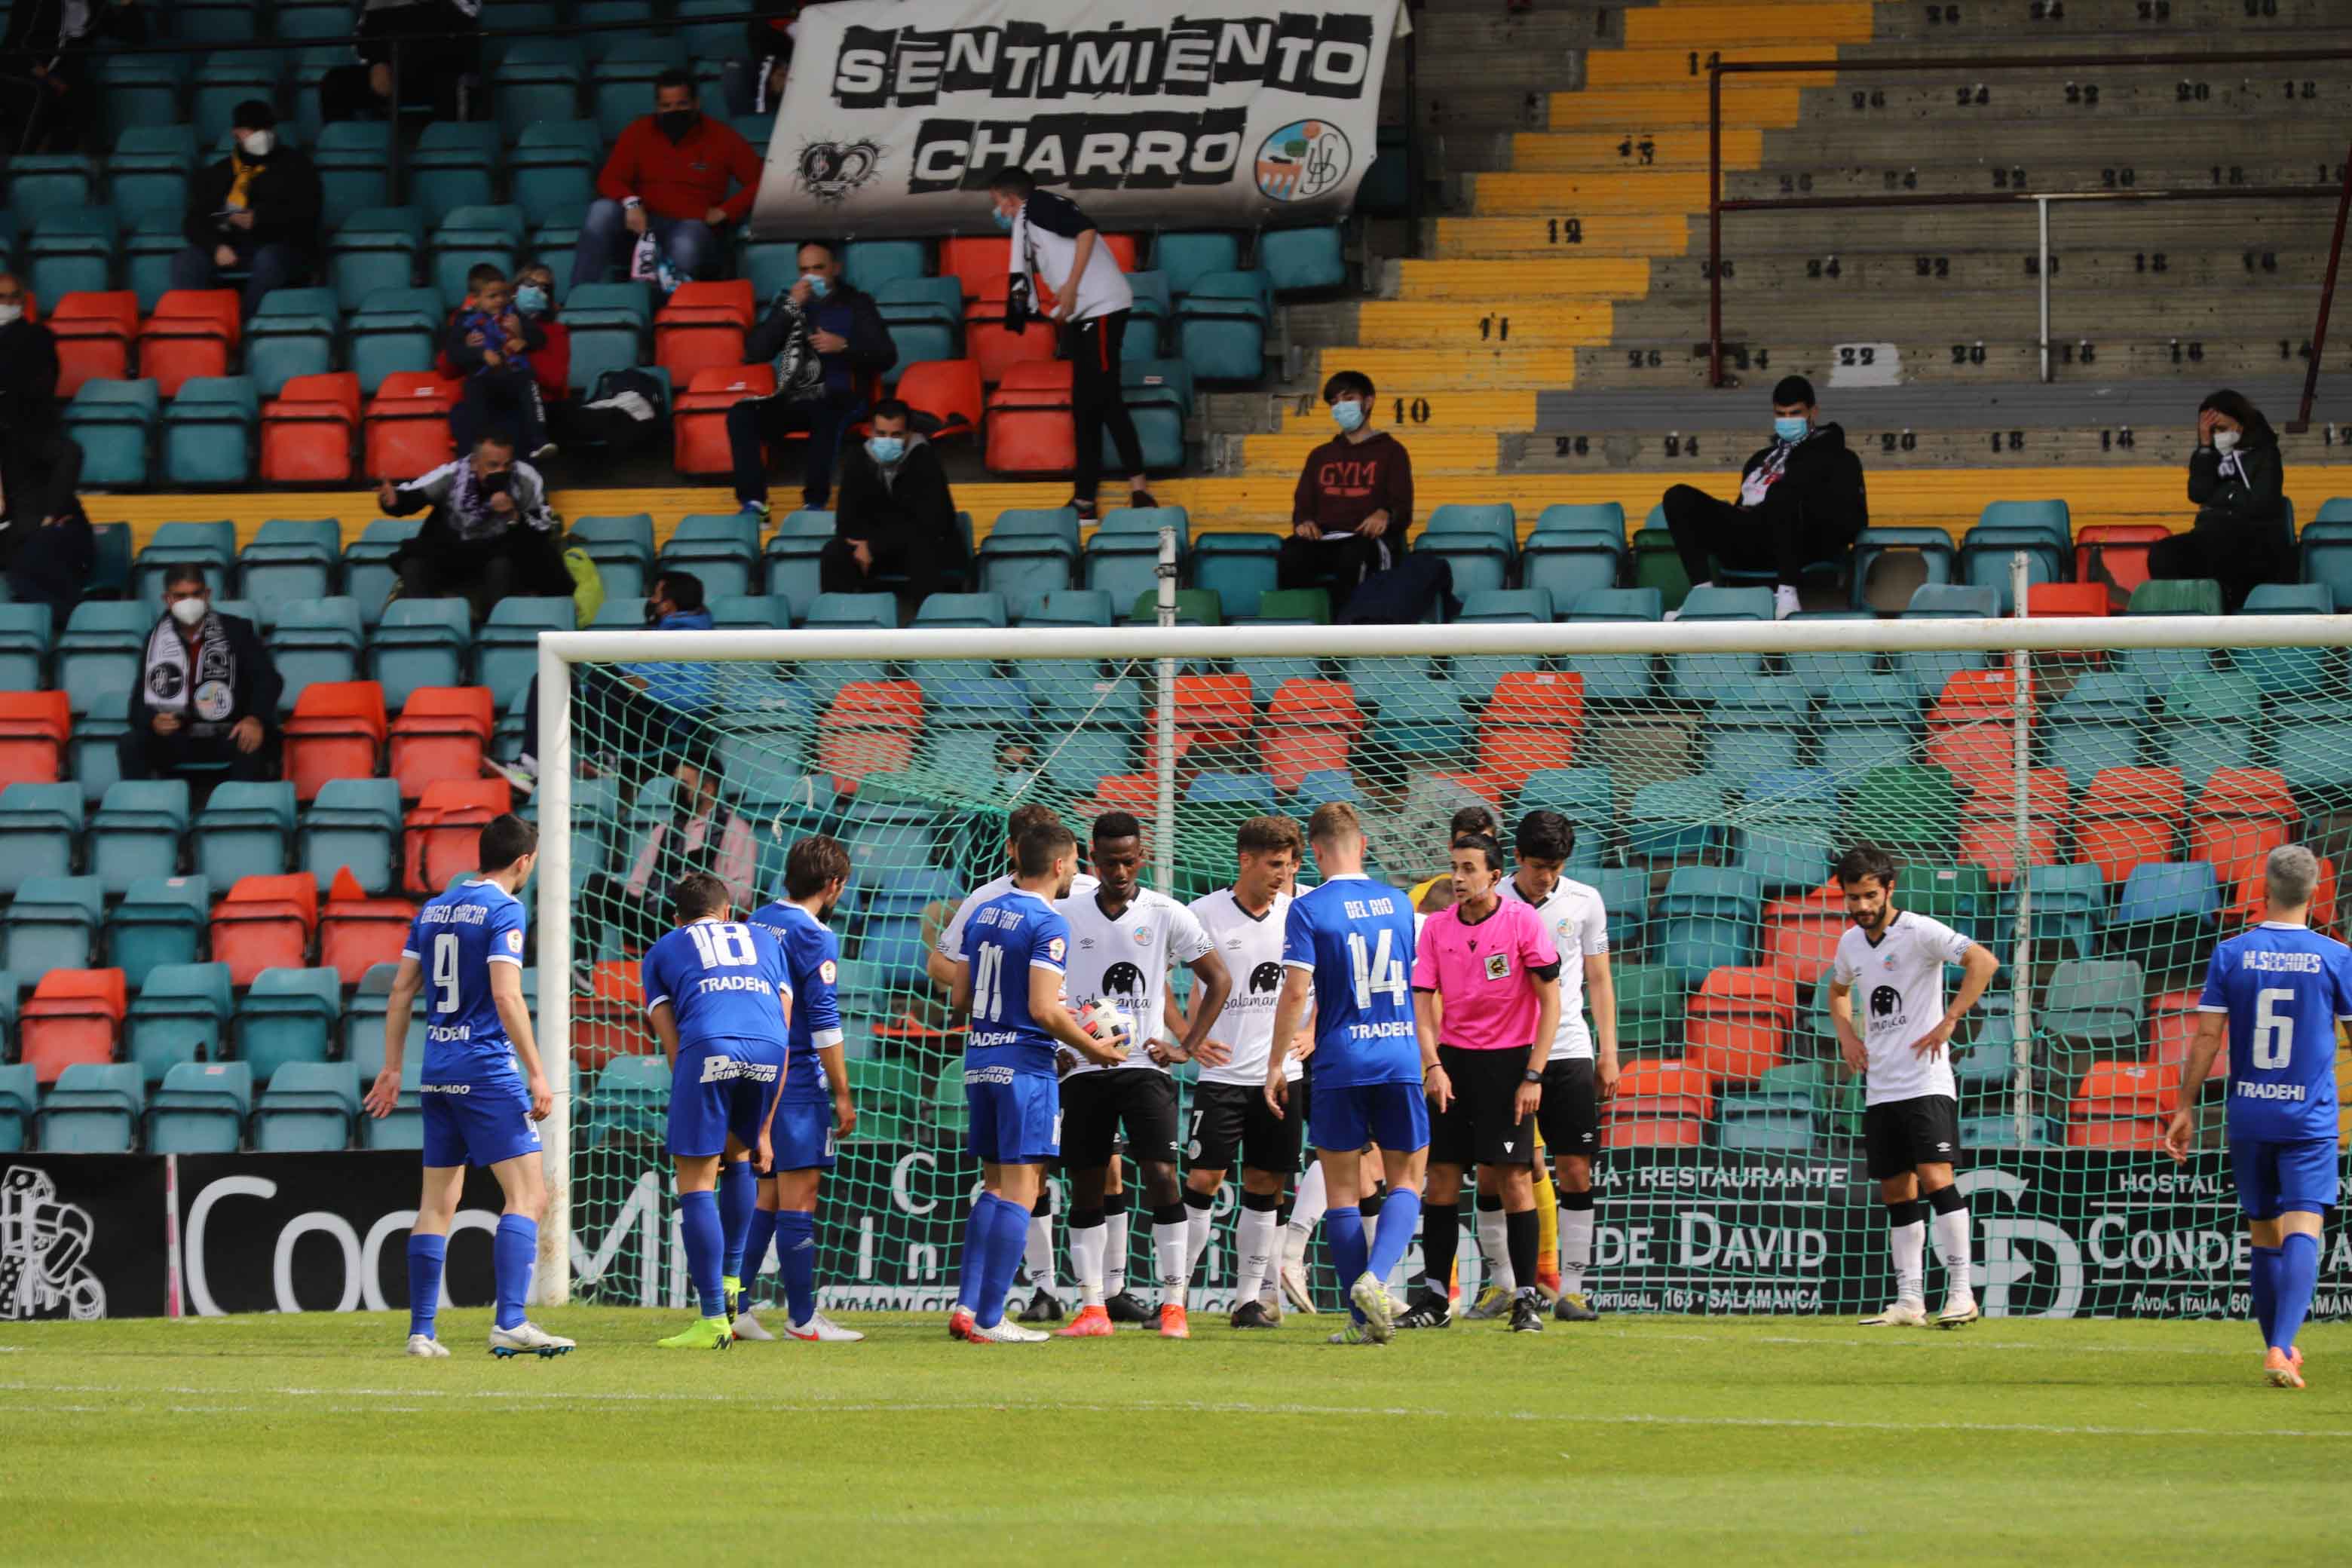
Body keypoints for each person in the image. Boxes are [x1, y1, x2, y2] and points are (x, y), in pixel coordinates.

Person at [363, 813, 573, 1358]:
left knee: (437, 1203)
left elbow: (400, 992)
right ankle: (510, 1321)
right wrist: (537, 1070)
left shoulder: (434, 909)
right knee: (529, 1195)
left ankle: (421, 1332)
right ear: (524, 861)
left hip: (437, 1071)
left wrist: (392, 1067)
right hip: (485, 1068)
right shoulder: (505, 909)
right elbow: (506, 996)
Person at [2162, 844, 2346, 1389]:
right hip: (2307, 1118)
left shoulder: (2232, 953)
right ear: (2315, 893)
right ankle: (2280, 1348)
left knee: (2264, 1232)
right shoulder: (2336, 957)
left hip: (2249, 1114)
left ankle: (2280, 1346)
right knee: (2305, 1228)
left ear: (2262, 889)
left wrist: (2185, 1106)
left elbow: (2206, 1038)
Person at [946, 820, 1127, 1343]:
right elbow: (1043, 1008)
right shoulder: (1049, 922)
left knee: (995, 1186)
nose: (1077, 870)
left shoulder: (983, 912)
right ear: (1057, 864)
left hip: (979, 1060)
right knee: (1024, 1190)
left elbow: (958, 999)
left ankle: (967, 1307)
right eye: (1074, 861)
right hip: (1025, 1065)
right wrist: (1093, 1047)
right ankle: (990, 1318)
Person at [1053, 813, 1232, 1341]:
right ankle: (1092, 1309)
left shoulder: (1165, 912)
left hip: (1143, 1069)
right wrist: (1054, 1045)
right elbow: (1034, 985)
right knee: (1085, 1184)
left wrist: (1188, 1047)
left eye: (1130, 860)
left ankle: (1173, 1305)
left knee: (1159, 1174)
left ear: (1142, 856)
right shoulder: (1064, 913)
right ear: (1094, 859)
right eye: (1110, 861)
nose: (1121, 870)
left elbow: (1218, 978)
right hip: (1083, 1067)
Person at [1265, 801, 1428, 1346]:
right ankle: (1376, 1282)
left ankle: (1361, 1320)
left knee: (1340, 1193)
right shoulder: (1400, 903)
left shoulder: (1309, 908)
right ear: (1362, 845)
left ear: (1313, 853)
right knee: (1407, 1178)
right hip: (1399, 1053)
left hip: (1339, 1060)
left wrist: (1276, 1063)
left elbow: (1294, 990)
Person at [1827, 843, 2000, 1330]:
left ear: (1888, 890)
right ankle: (1909, 1301)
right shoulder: (1849, 945)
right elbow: (1837, 990)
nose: (1861, 906)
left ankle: (1962, 1292)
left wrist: (1950, 1020)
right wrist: (1846, 1036)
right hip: (1881, 1086)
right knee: (1896, 1191)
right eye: (1852, 897)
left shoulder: (1920, 930)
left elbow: (1983, 962)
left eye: (1869, 895)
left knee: (1936, 1178)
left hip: (1926, 1079)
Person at [1402, 833, 1561, 1335]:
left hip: (1509, 1066)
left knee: (1514, 1179)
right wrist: (1433, 1066)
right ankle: (1434, 1299)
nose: (1459, 877)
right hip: (1454, 1064)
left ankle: (1526, 1298)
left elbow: (1550, 1003)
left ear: (1495, 876)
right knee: (1442, 1181)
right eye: (1455, 867)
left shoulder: (1522, 922)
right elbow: (1423, 1003)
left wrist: (1534, 1073)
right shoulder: (1436, 929)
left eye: (1470, 868)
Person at [642, 870, 794, 1350]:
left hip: (708, 1044)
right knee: (742, 1155)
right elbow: (782, 1030)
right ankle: (732, 1287)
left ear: (677, 917)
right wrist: (766, 1127)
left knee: (697, 1179)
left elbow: (672, 1039)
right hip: (769, 1050)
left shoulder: (665, 947)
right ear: (729, 911)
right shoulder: (767, 942)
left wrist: (690, 1083)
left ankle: (710, 1320)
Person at [1174, 816, 1312, 1330]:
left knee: (1266, 1182)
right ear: (1246, 860)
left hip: (1281, 1074)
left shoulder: (1299, 913)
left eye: (1290, 863)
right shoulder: (1201, 914)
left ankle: (1248, 1300)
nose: (1284, 873)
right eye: (1275, 864)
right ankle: (1176, 1294)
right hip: (1223, 1073)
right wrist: (1188, 1035)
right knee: (1204, 1178)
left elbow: (1321, 983)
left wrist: (1313, 1032)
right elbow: (1161, 975)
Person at [740, 835, 864, 1344]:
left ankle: (736, 1306)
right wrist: (843, 1092)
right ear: (833, 885)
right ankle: (803, 1318)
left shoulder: (758, 919)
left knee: (767, 1196)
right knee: (799, 1193)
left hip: (754, 1069)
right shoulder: (814, 934)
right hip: (794, 1077)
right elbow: (825, 1022)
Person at [1501, 810, 1618, 1324]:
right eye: (1539, 865)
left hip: (1569, 1048)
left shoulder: (1584, 901)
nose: (1547, 875)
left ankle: (1572, 1290)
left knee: (1574, 1167)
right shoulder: (1494, 900)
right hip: (1507, 1052)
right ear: (1518, 857)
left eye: (1556, 865)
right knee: (1505, 1170)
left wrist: (1609, 1051)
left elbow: (1599, 980)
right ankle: (1507, 1286)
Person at [987, 168, 1156, 522]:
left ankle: (1140, 488)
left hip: (1104, 307)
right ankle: (1084, 500)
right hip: (1082, 314)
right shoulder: (1029, 222)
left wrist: (1070, 286)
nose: (998, 211)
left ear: (1009, 198)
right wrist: (1060, 302)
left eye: (997, 203)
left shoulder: (1041, 205)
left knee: (1106, 397)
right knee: (1084, 405)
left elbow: (1086, 230)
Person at [1661, 374, 1867, 621]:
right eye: (1781, 414)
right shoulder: (1761, 459)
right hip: (1751, 537)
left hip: (1802, 543)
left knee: (1782, 493)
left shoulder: (1839, 458)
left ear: (1814, 412)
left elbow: (1852, 520)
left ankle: (1787, 594)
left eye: (1795, 413)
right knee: (1678, 497)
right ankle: (1703, 595)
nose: (1787, 420)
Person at [501, 568, 714, 800]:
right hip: (618, 716)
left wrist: (651, 689)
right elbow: (615, 683)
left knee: (603, 667)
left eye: (655, 595)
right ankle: (531, 764)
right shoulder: (649, 633)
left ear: (668, 604)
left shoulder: (698, 640)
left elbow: (699, 700)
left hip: (659, 724)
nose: (651, 601)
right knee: (550, 679)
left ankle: (606, 760)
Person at [727, 242, 897, 519]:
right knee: (742, 413)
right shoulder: (791, 303)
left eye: (818, 268)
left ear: (836, 268)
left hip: (845, 396)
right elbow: (755, 352)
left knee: (824, 409)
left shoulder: (858, 303)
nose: (812, 276)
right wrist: (789, 308)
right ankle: (755, 504)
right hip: (795, 398)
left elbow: (887, 355)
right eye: (804, 270)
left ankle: (814, 504)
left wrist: (844, 346)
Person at [571, 69, 761, 295]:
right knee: (601, 211)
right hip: (642, 227)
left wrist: (726, 210)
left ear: (696, 103)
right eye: (666, 106)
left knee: (685, 244)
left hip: (693, 228)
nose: (674, 112)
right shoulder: (638, 131)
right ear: (657, 106)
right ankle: (580, 297)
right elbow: (609, 179)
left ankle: (661, 317)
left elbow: (761, 181)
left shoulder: (723, 137)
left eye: (682, 105)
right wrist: (631, 202)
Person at [576, 753, 757, 974]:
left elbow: (743, 893)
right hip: (656, 919)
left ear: (707, 788)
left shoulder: (736, 829)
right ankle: (582, 968)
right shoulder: (664, 830)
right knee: (596, 886)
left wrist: (700, 887)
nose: (676, 790)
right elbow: (637, 885)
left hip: (700, 925)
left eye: (683, 784)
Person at [120, 567, 283, 808]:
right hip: (179, 736)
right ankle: (145, 817)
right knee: (131, 742)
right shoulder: (155, 639)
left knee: (251, 741)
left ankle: (244, 819)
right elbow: (138, 703)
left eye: (195, 594)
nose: (189, 602)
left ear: (207, 594)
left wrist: (254, 718)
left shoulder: (237, 630)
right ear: (167, 599)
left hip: (227, 732)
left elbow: (268, 680)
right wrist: (154, 721)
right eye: (180, 596)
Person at [378, 433, 563, 624]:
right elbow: (412, 497)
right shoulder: (453, 474)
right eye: (493, 465)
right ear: (474, 462)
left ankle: (498, 631)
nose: (501, 471)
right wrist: (392, 502)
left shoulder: (526, 478)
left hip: (502, 554)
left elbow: (543, 530)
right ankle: (426, 629)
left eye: (507, 465)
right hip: (455, 552)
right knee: (413, 563)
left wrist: (514, 515)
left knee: (504, 565)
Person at [171, 100, 323, 320]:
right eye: (252, 130)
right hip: (231, 248)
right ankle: (199, 328)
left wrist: (260, 219)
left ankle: (241, 326)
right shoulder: (221, 172)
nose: (260, 136)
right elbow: (197, 219)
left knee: (268, 259)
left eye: (265, 129)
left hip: (283, 247)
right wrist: (216, 247)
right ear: (236, 133)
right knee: (186, 260)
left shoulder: (296, 166)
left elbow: (307, 213)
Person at [1281, 370, 1414, 617]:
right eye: (1335, 403)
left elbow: (1403, 508)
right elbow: (1303, 504)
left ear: (1369, 401)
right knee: (1291, 553)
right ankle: (1298, 638)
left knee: (1354, 557)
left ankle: (1348, 636)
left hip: (1367, 541)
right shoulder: (1320, 455)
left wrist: (1386, 513)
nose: (1341, 407)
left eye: (1349, 398)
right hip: (1325, 539)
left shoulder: (1392, 452)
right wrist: (1303, 522)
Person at [0, 271, 92, 629]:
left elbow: (70, 453)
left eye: (12, 297)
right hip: (15, 540)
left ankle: (68, 636)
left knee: (32, 559)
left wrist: (48, 517)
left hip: (49, 533)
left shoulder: (20, 442)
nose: (7, 304)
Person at [2149, 389, 2292, 611]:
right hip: (2211, 536)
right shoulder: (2209, 456)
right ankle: (2187, 618)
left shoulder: (2265, 453)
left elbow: (2263, 504)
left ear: (2240, 425)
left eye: (2222, 429)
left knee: (2222, 551)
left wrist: (2225, 494)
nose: (2217, 435)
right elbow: (2198, 493)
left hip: (2255, 540)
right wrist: (2205, 448)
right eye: (2210, 431)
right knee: (2163, 554)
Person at [822, 398, 960, 598]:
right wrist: (865, 545)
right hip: (873, 550)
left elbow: (936, 522)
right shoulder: (858, 460)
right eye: (881, 434)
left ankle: (929, 623)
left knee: (923, 548)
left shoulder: (925, 459)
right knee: (835, 552)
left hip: (915, 548)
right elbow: (846, 521)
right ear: (870, 431)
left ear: (909, 433)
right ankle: (839, 621)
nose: (888, 441)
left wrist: (874, 544)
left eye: (896, 435)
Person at [0, 0, 147, 155]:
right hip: (21, 73)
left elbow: (137, 36)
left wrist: (127, 3)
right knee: (39, 93)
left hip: (62, 81)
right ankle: (19, 162)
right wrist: (48, 78)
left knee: (82, 95)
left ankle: (58, 166)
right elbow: (13, 50)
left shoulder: (95, 8)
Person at [446, 263, 552, 461]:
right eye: (492, 297)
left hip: (512, 378)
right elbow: (453, 354)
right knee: (472, 397)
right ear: (475, 299)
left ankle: (539, 440)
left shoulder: (512, 314)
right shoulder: (465, 320)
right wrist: (479, 353)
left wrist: (523, 338)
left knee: (528, 381)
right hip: (482, 380)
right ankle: (477, 455)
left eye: (503, 295)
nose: (500, 301)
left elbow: (540, 339)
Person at [320, 0, 482, 125]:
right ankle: (347, 160)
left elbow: (468, 14)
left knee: (453, 79)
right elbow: (365, 32)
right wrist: (377, 62)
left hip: (442, 66)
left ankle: (449, 156)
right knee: (335, 84)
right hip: (395, 70)